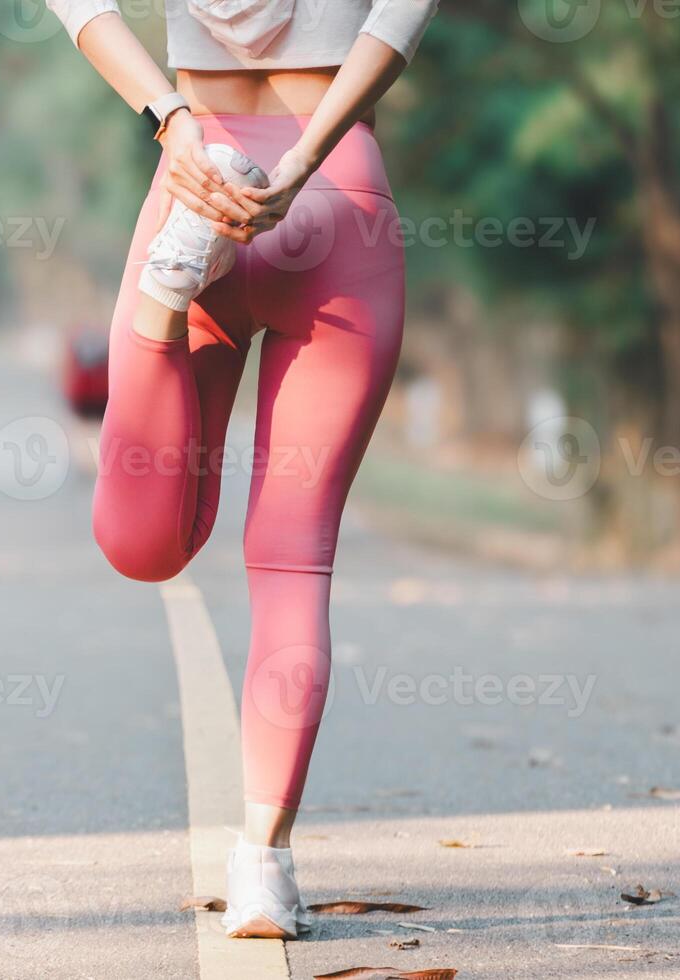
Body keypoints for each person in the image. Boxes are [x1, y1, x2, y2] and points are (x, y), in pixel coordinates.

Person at [46, 0, 437, 940]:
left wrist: (170, 122)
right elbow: (403, 18)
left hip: (197, 178)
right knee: (292, 558)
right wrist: (301, 164)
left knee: (142, 542)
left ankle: (160, 304)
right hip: (336, 197)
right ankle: (262, 867)